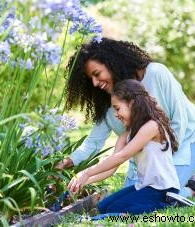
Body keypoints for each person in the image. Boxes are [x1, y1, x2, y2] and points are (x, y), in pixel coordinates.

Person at [57, 38, 195, 205]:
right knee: (131, 199)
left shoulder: (156, 73)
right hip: (144, 157)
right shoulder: (108, 104)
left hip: (186, 143)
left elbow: (180, 122)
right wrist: (66, 161)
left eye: (97, 74)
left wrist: (163, 168)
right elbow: (93, 143)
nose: (94, 83)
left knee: (164, 197)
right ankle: (185, 181)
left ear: (111, 63)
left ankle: (193, 189)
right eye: (90, 79)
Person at [68, 79, 185, 218]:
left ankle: (171, 203)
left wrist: (87, 173)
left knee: (117, 208)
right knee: (103, 207)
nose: (116, 114)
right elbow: (113, 165)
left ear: (132, 103)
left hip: (162, 188)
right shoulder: (127, 133)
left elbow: (122, 156)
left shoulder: (152, 126)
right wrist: (83, 182)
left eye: (117, 108)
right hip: (144, 186)